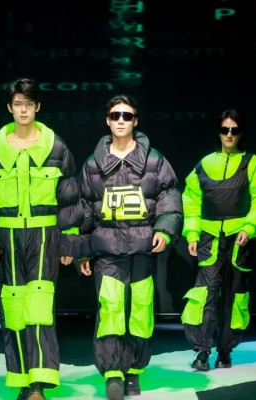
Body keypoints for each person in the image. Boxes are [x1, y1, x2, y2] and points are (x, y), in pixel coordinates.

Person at [0, 78, 83, 400]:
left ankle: (38, 384)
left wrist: (68, 243)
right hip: (7, 237)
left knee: (40, 307)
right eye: (18, 104)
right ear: (10, 107)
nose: (23, 110)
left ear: (37, 107)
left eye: (28, 104)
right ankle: (22, 379)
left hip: (45, 236)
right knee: (14, 308)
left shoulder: (56, 147)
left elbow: (70, 199)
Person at [78, 94, 183, 400]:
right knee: (110, 309)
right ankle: (113, 372)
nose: (121, 120)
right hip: (106, 249)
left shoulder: (154, 160)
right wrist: (83, 250)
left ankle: (134, 370)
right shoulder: (93, 164)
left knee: (140, 309)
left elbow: (169, 197)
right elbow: (84, 208)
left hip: (142, 248)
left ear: (135, 120)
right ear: (107, 120)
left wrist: (164, 230)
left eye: (126, 115)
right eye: (115, 115)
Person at [180, 108, 256, 371]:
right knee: (205, 293)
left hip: (239, 239)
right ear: (219, 132)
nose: (230, 134)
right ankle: (202, 351)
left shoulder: (252, 163)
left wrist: (251, 226)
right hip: (209, 238)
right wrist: (192, 232)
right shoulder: (205, 164)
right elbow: (191, 200)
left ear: (241, 133)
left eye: (234, 130)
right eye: (225, 129)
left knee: (234, 296)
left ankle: (225, 350)